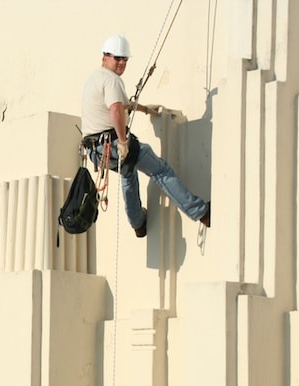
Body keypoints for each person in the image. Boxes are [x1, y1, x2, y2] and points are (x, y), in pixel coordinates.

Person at [81, 34, 210, 238]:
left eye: (125, 59)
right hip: (111, 144)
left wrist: (145, 110)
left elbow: (123, 104)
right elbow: (116, 109)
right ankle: (200, 211)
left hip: (96, 150)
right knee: (160, 170)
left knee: (128, 172)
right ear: (105, 57)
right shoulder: (111, 80)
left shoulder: (95, 79)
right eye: (117, 58)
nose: (122, 63)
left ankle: (138, 223)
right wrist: (123, 142)